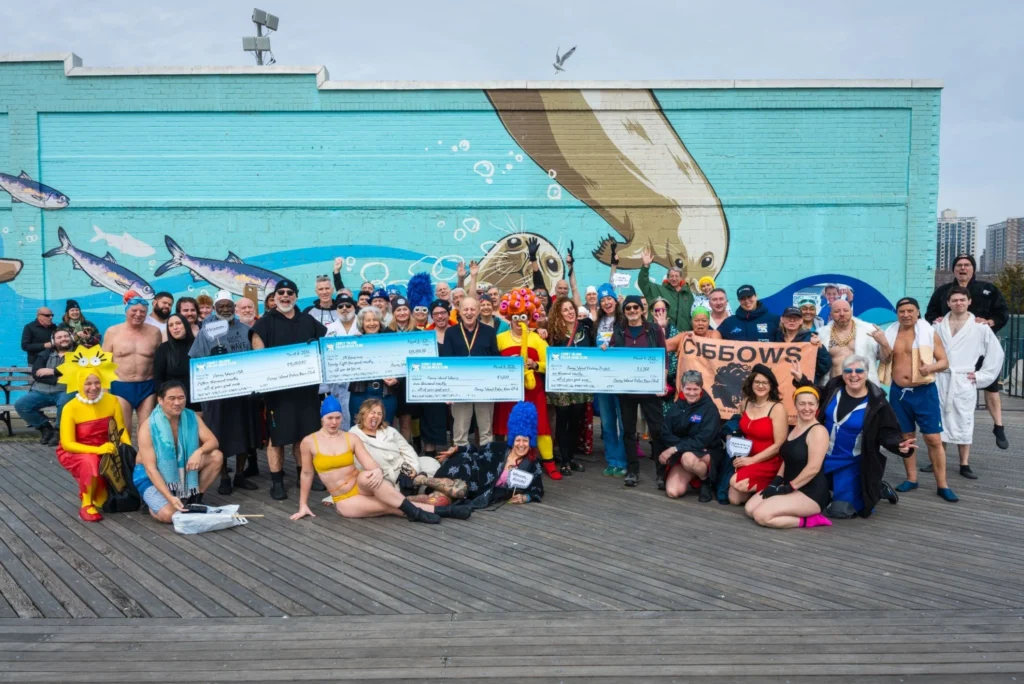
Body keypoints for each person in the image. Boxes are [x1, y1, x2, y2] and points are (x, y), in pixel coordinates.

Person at [290, 397, 470, 524]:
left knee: (370, 475)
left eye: (338, 418)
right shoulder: (309, 442)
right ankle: (445, 511)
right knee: (388, 506)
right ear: (322, 418)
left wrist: (376, 471)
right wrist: (302, 505)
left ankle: (417, 512)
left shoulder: (349, 438)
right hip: (343, 497)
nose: (334, 422)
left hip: (360, 483)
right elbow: (306, 473)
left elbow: (369, 464)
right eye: (329, 418)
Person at [793, 355, 912, 518]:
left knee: (840, 511)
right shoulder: (834, 387)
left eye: (859, 371)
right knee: (806, 494)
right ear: (843, 373)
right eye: (848, 370)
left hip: (851, 462)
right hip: (821, 457)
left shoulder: (878, 403)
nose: (853, 375)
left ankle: (877, 488)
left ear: (867, 373)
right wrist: (802, 381)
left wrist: (899, 444)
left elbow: (888, 432)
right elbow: (816, 394)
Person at [251, 279, 328, 500]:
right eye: (281, 292)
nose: (285, 296)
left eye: (290, 293)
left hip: (306, 392)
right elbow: (258, 357)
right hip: (277, 395)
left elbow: (325, 349)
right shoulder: (265, 323)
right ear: (275, 297)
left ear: (296, 296)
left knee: (303, 438)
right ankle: (277, 482)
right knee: (277, 439)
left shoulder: (308, 320)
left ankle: (304, 476)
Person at [926, 254, 1011, 450]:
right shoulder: (943, 291)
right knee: (943, 403)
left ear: (973, 268)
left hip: (979, 344)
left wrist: (990, 322)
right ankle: (941, 449)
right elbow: (931, 312)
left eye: (967, 265)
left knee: (991, 386)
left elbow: (1002, 312)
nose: (963, 268)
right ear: (954, 269)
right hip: (952, 350)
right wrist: (936, 320)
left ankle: (998, 425)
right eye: (959, 265)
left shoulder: (988, 289)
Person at [880, 298, 957, 502]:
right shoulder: (890, 334)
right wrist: (880, 342)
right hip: (899, 392)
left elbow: (944, 362)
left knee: (933, 439)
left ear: (917, 312)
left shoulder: (929, 333)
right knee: (906, 437)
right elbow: (884, 359)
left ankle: (942, 484)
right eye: (902, 311)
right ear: (897, 313)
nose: (906, 314)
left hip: (924, 391)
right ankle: (912, 478)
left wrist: (929, 368)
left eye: (910, 310)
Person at [190, 291, 262, 494]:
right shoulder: (206, 331)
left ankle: (239, 475)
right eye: (221, 306)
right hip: (216, 395)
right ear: (214, 308)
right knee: (218, 435)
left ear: (235, 308)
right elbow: (194, 360)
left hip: (242, 393)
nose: (225, 309)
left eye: (228, 306)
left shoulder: (245, 329)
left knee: (243, 435)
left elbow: (256, 358)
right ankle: (223, 477)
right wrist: (210, 357)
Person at [933, 286, 1004, 480]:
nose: (958, 303)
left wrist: (982, 376)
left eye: (962, 300)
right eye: (954, 300)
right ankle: (939, 460)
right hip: (941, 378)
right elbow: (927, 350)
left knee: (964, 419)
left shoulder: (980, 327)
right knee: (940, 421)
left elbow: (996, 354)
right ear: (948, 303)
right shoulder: (938, 326)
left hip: (963, 379)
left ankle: (964, 463)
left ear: (969, 302)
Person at [54, 346, 131, 522]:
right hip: (77, 451)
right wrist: (97, 450)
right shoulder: (70, 408)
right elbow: (67, 444)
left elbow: (120, 430)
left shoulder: (112, 401)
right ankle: (86, 504)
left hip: (105, 448)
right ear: (79, 384)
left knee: (104, 500)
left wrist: (127, 450)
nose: (93, 387)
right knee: (91, 461)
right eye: (88, 383)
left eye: (97, 382)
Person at [132, 381, 224, 523]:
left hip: (180, 467)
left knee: (216, 456)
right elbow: (150, 469)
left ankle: (195, 499)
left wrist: (199, 452)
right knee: (170, 515)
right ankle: (152, 503)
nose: (177, 403)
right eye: (172, 398)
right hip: (149, 475)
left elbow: (213, 441)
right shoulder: (148, 426)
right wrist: (170, 498)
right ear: (160, 400)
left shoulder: (191, 417)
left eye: (181, 398)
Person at [744, 386, 832, 529]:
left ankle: (810, 520)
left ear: (817, 406)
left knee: (762, 516)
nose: (807, 408)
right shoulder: (795, 428)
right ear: (795, 405)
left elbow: (813, 468)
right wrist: (775, 482)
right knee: (750, 509)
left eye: (811, 404)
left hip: (810, 492)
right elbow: (788, 459)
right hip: (789, 486)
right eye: (802, 403)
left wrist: (786, 489)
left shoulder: (818, 431)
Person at [493, 290, 558, 477]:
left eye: (524, 316)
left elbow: (551, 365)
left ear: (529, 317)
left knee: (541, 425)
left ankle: (549, 462)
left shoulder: (538, 339)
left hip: (533, 389)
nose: (519, 321)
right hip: (509, 390)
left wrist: (535, 364)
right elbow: (492, 364)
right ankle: (510, 459)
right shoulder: (500, 339)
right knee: (508, 424)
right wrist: (507, 363)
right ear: (510, 318)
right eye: (516, 317)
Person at [432, 401, 545, 507]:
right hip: (470, 474)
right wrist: (457, 449)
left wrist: (526, 497)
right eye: (518, 440)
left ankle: (422, 481)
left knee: (439, 499)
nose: (521, 445)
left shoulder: (532, 464)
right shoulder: (500, 448)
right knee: (459, 465)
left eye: (525, 441)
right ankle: (422, 480)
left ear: (531, 442)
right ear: (512, 440)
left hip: (475, 491)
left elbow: (537, 489)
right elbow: (476, 449)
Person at [609, 294, 668, 488]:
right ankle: (632, 471)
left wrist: (662, 382)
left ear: (642, 310)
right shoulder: (618, 331)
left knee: (657, 430)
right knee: (628, 431)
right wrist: (603, 351)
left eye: (636, 307)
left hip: (650, 390)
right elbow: (611, 358)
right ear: (624, 312)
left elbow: (664, 357)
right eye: (628, 308)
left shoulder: (654, 330)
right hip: (626, 391)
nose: (632, 311)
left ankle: (661, 472)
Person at [442, 296, 501, 453]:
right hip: (459, 388)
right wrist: (448, 390)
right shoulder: (451, 332)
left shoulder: (489, 332)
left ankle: (487, 461)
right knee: (460, 431)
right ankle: (461, 462)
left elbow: (496, 358)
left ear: (479, 311)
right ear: (459, 312)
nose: (469, 312)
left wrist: (510, 365)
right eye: (465, 309)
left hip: (485, 388)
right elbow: (446, 362)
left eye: (472, 309)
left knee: (486, 430)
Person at [546, 295, 594, 476]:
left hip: (580, 383)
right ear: (559, 313)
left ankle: (571, 457)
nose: (569, 312)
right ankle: (564, 459)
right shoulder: (553, 332)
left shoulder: (585, 329)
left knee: (576, 419)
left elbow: (593, 350)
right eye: (565, 310)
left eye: (571, 309)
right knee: (563, 418)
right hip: (561, 384)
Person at [727, 365, 788, 505]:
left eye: (765, 382)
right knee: (734, 499)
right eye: (757, 382)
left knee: (735, 482)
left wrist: (752, 460)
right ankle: (761, 493)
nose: (761, 386)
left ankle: (773, 485)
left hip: (769, 460)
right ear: (751, 383)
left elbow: (779, 445)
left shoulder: (777, 408)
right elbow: (744, 430)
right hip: (747, 457)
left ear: (771, 386)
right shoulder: (746, 403)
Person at [103, 292, 162, 435]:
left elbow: (160, 361)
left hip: (147, 386)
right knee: (123, 430)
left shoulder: (155, 332)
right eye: (134, 311)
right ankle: (126, 457)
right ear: (126, 311)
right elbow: (104, 363)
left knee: (146, 431)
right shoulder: (113, 332)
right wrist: (104, 391)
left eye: (142, 311)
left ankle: (144, 457)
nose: (138, 314)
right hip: (121, 385)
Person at [659, 370, 722, 502]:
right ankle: (693, 474)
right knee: (673, 491)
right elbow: (665, 432)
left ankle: (706, 480)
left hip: (704, 452)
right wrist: (680, 446)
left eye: (695, 389)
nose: (692, 393)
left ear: (701, 388)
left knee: (688, 458)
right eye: (688, 389)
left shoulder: (710, 409)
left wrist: (674, 448)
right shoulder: (676, 406)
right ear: (682, 388)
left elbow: (704, 439)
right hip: (683, 451)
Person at [349, 398, 440, 489]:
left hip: (402, 468)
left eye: (379, 414)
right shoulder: (354, 435)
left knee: (432, 464)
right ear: (363, 414)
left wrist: (412, 469)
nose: (376, 416)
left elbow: (407, 450)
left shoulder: (390, 431)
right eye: (372, 413)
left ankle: (418, 482)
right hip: (379, 476)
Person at [15, 328, 75, 446]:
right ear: (54, 340)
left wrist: (52, 371)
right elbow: (36, 373)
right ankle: (46, 428)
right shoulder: (45, 353)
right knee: (21, 405)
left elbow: (76, 371)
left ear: (71, 338)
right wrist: (57, 378)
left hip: (64, 391)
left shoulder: (79, 353)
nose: (63, 339)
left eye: (66, 336)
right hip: (40, 392)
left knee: (65, 403)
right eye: (59, 337)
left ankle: (58, 431)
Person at [593, 283, 627, 476]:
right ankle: (612, 460)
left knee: (622, 422)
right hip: (602, 381)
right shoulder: (597, 323)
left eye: (609, 298)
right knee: (606, 422)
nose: (607, 302)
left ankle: (622, 461)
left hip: (621, 379)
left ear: (615, 300)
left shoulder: (624, 321)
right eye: (603, 300)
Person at [816, 299, 890, 385]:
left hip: (864, 386)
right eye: (837, 311)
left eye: (846, 310)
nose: (842, 314)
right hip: (834, 387)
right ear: (831, 315)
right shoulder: (821, 334)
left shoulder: (869, 330)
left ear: (851, 312)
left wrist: (884, 343)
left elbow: (886, 360)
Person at [347, 306, 400, 423]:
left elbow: (403, 364)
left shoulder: (392, 340)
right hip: (360, 393)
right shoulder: (353, 343)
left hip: (386, 393)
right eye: (368, 320)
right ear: (362, 323)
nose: (372, 323)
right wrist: (352, 346)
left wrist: (397, 379)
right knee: (358, 428)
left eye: (375, 320)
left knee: (385, 429)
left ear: (380, 322)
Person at [418, 299, 453, 457]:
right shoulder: (425, 336)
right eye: (436, 314)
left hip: (454, 386)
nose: (440, 316)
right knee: (430, 424)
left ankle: (456, 461)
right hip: (431, 388)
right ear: (431, 317)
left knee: (456, 425)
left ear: (448, 314)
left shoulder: (458, 332)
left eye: (443, 313)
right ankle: (430, 462)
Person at [320, 293, 360, 430]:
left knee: (361, 412)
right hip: (339, 379)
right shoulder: (330, 329)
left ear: (354, 307)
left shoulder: (363, 324)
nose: (344, 308)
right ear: (336, 309)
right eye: (340, 306)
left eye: (348, 305)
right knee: (342, 412)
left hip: (360, 377)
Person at [637, 246, 693, 332]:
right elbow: (643, 283)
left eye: (676, 276)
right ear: (667, 277)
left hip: (684, 335)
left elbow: (692, 314)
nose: (674, 279)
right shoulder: (658, 290)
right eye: (671, 276)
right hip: (663, 334)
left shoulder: (687, 293)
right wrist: (646, 266)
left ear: (681, 277)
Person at [771, 307, 831, 385]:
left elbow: (825, 366)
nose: (792, 320)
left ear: (801, 321)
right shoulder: (774, 338)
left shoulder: (811, 339)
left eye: (796, 318)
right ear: (782, 319)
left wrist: (820, 348)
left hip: (803, 385)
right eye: (789, 317)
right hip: (780, 384)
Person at [152, 314, 197, 413]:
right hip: (174, 404)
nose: (175, 328)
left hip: (197, 403)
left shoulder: (198, 345)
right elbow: (158, 379)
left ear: (186, 325)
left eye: (178, 323)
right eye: (171, 325)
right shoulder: (163, 349)